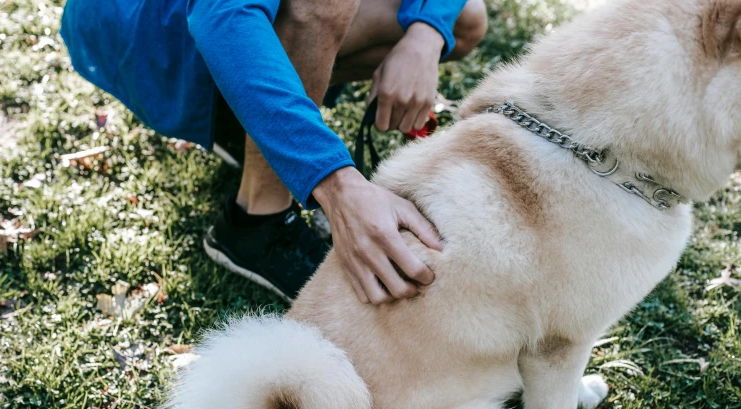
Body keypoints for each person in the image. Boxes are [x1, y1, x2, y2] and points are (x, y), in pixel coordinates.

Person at [61, 0, 488, 303]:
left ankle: (247, 124)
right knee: (321, 4)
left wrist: (426, 35)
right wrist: (338, 186)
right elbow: (223, 15)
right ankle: (255, 223)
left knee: (462, 18)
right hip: (145, 26)